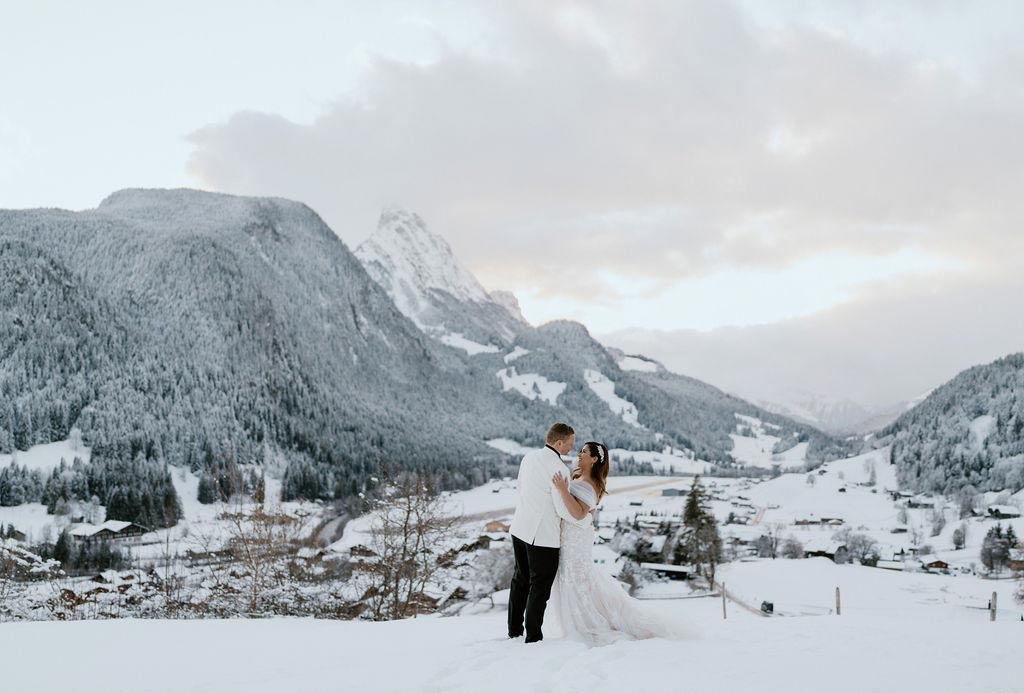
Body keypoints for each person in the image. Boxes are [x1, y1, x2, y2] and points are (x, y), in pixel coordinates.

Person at [549, 441, 701, 646]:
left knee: (576, 578)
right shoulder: (584, 479)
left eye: (584, 452)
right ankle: (585, 620)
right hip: (574, 537)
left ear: (594, 459)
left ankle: (589, 623)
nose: (580, 454)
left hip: (575, 540)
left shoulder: (587, 483)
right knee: (578, 578)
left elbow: (578, 513)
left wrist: (562, 490)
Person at [507, 422, 578, 643]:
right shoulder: (560, 469)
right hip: (543, 535)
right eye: (570, 444)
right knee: (540, 586)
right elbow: (562, 509)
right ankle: (534, 637)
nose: (571, 449)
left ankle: (514, 631)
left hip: (520, 526)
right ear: (559, 442)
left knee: (520, 579)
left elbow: (521, 488)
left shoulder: (528, 457)